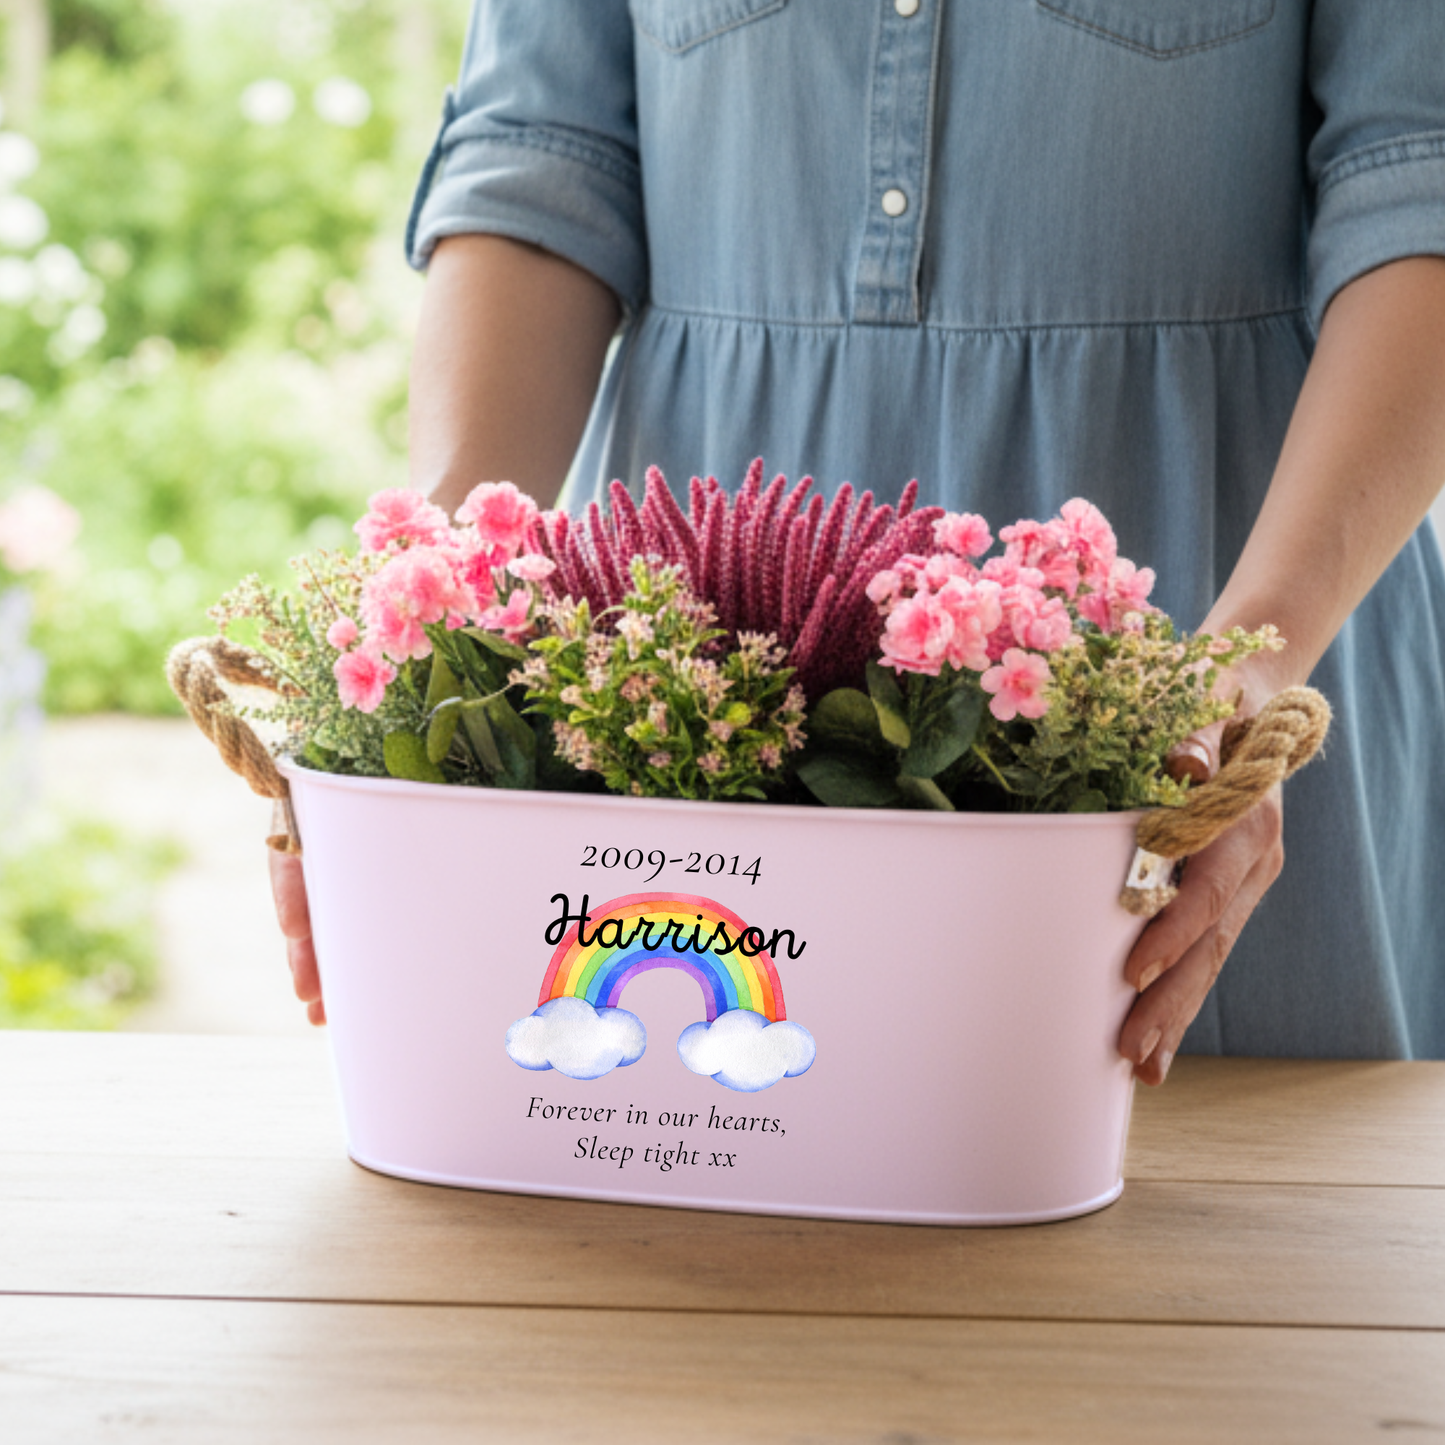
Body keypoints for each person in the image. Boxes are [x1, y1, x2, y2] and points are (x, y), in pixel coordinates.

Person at [272, 0, 1445, 1080]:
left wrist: (1242, 664)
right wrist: (423, 630)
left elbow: (1415, 192)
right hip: (697, 655)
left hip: (1219, 608)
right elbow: (540, 168)